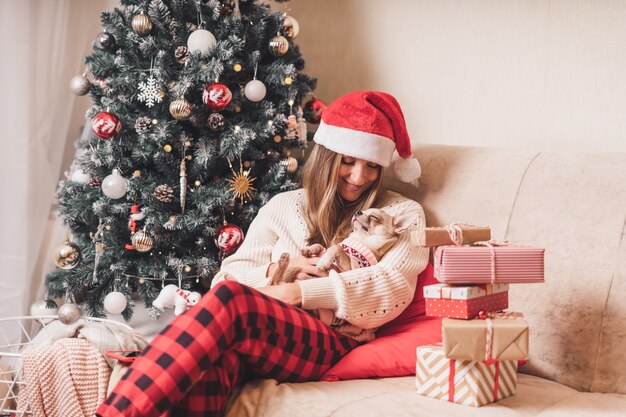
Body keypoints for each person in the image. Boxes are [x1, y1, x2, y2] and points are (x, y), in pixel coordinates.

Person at [96, 91, 429, 417]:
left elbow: (391, 287)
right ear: (328, 156)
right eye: (348, 161)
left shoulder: (401, 213)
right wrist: (276, 273)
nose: (359, 177)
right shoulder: (284, 206)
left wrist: (295, 292)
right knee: (214, 365)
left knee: (232, 301)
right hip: (267, 336)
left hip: (333, 341)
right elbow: (228, 277)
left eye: (372, 166)